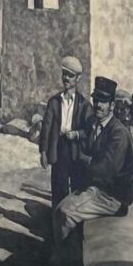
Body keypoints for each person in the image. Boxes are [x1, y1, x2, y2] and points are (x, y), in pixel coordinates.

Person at [54, 77, 133, 239]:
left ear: (112, 106)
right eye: (96, 100)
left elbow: (106, 170)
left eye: (103, 101)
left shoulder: (119, 133)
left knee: (65, 212)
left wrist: (84, 159)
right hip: (95, 188)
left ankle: (66, 254)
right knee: (59, 209)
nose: (98, 105)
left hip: (111, 196)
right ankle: (65, 248)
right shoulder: (94, 124)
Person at [39, 55, 94, 210]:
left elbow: (90, 130)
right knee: (59, 187)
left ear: (78, 78)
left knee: (77, 188)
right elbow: (46, 128)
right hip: (59, 148)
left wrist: (76, 134)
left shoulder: (84, 105)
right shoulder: (54, 101)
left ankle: (74, 220)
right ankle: (57, 220)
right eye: (64, 74)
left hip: (77, 149)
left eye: (70, 75)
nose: (66, 78)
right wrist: (43, 152)